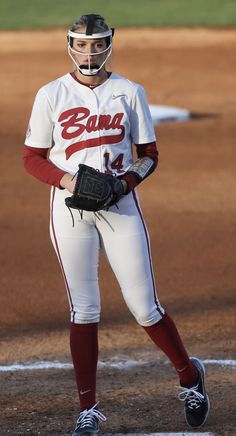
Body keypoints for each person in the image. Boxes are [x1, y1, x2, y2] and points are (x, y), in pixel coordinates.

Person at [23, 13, 210, 436]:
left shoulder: (129, 92)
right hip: (69, 209)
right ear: (69, 44)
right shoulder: (51, 94)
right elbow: (32, 157)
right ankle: (87, 410)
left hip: (120, 207)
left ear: (111, 43)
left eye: (97, 43)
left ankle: (189, 376)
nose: (89, 51)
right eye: (82, 44)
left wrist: (123, 184)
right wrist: (69, 179)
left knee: (145, 306)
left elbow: (149, 154)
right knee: (84, 308)